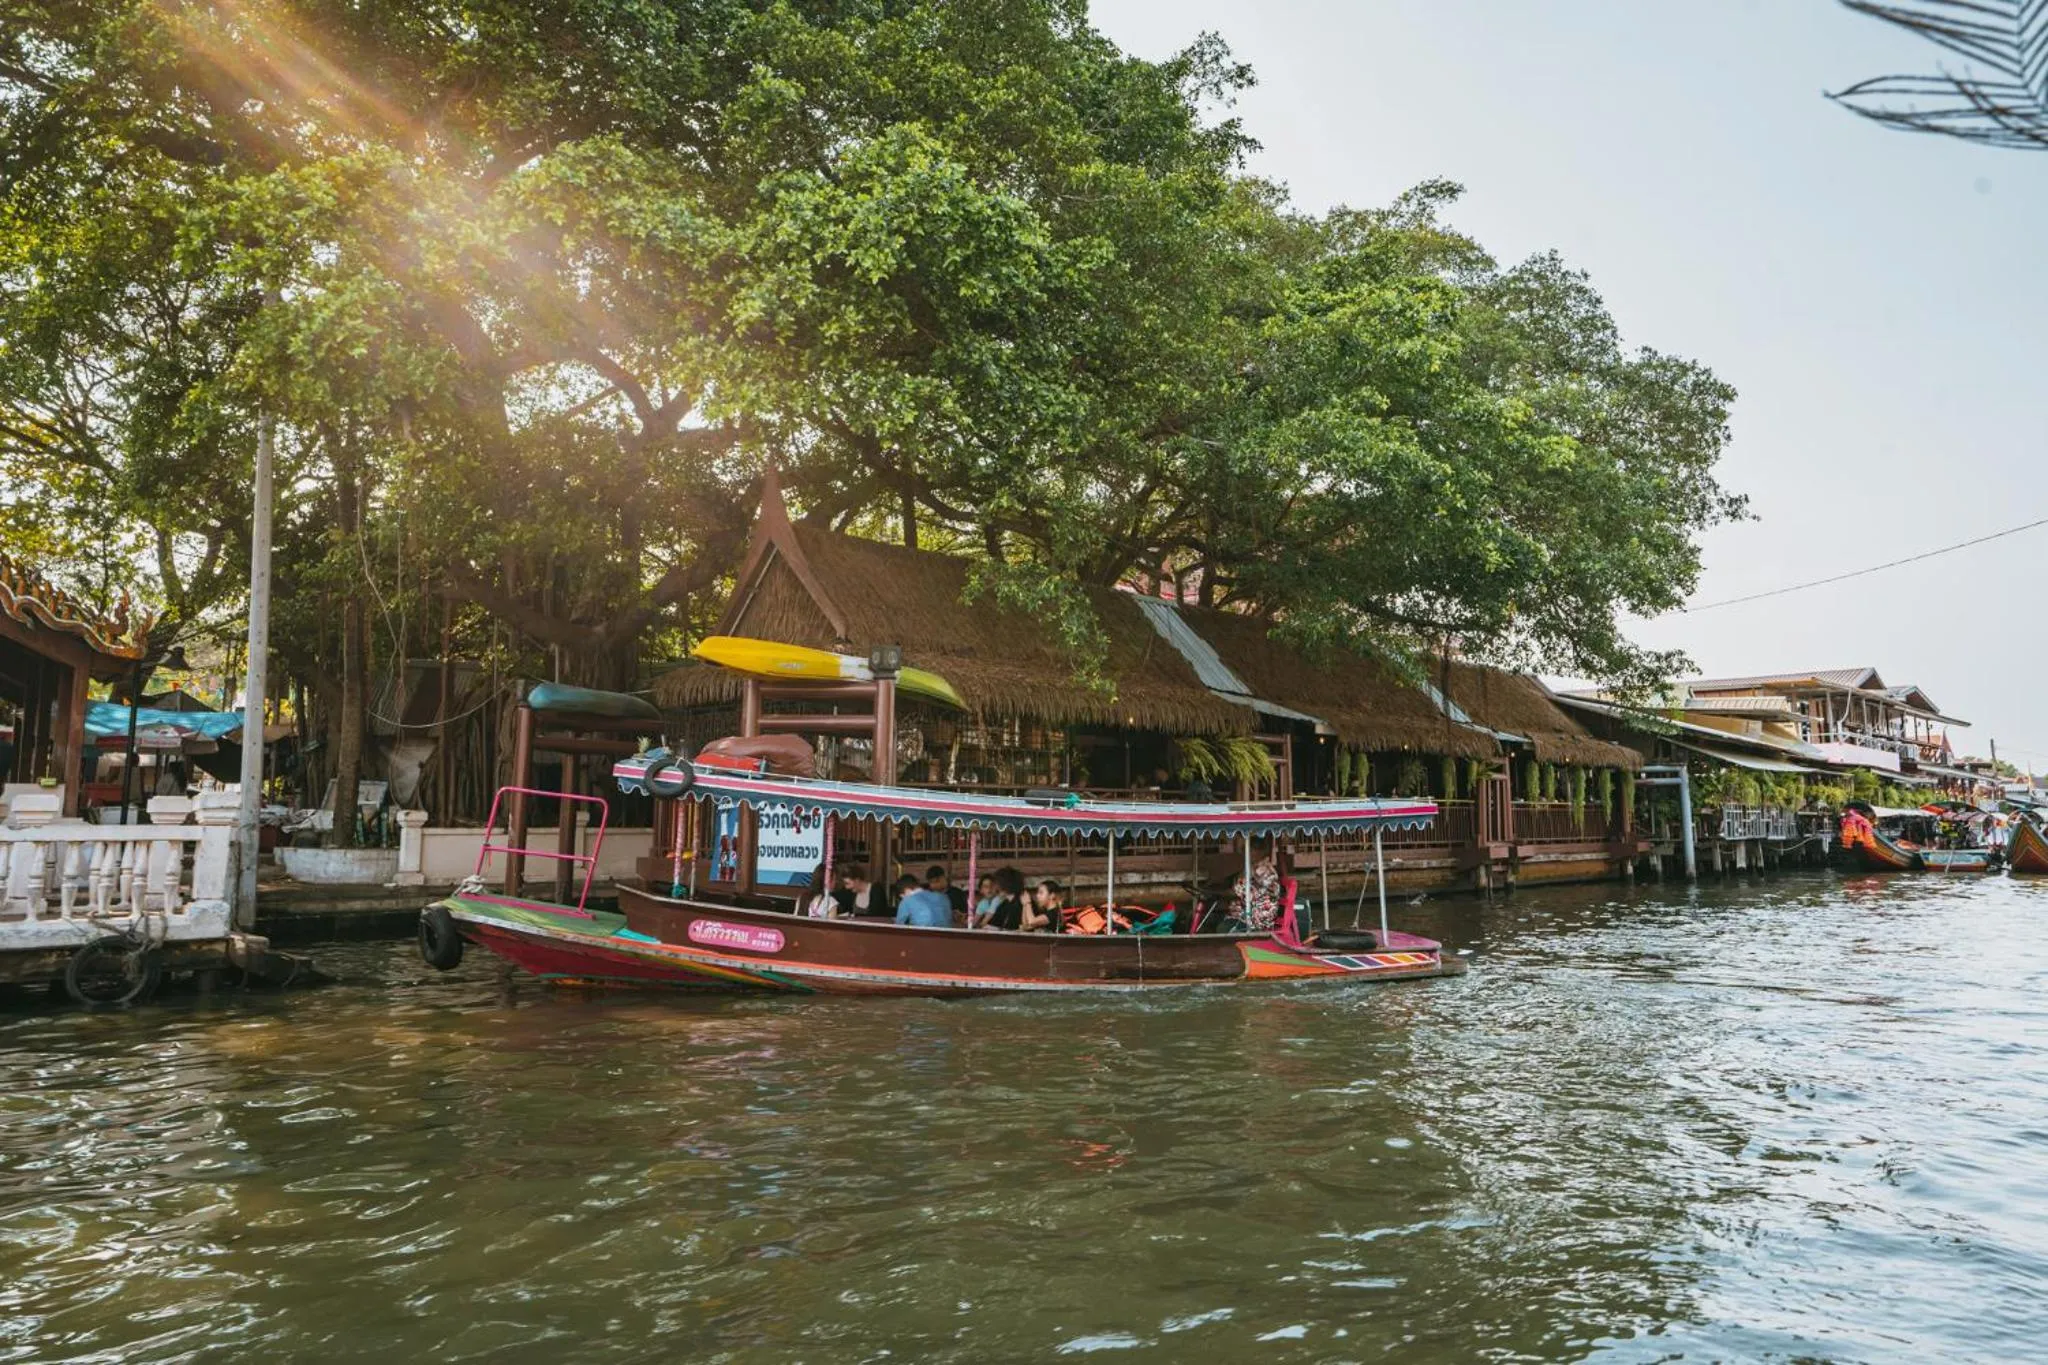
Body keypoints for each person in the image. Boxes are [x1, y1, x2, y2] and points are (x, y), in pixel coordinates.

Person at [1231, 842, 1281, 932]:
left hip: (1260, 915)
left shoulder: (1264, 870)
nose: (1248, 854)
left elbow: (1247, 891)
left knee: (1225, 927)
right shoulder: (1253, 867)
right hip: (1251, 909)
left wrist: (1232, 891)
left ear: (1260, 852)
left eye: (1251, 851)